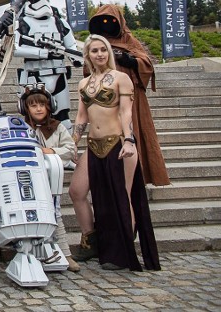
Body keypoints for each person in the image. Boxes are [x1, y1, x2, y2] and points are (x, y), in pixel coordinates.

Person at [68, 34, 160, 271]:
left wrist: (129, 140)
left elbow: (126, 113)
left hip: (119, 142)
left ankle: (122, 249)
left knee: (123, 196)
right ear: (87, 55)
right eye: (94, 51)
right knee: (76, 190)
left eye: (103, 50)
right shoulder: (83, 83)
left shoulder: (122, 78)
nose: (99, 54)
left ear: (108, 52)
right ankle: (91, 241)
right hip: (93, 144)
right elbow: (81, 117)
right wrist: (73, 143)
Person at [88, 4, 170, 186]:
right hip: (106, 99)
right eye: (102, 20)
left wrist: (131, 61)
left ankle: (138, 176)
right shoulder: (96, 43)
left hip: (131, 97)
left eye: (111, 20)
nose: (107, 24)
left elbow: (146, 63)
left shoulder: (129, 39)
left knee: (133, 131)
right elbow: (87, 69)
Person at [19, 84, 79, 272]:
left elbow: (70, 149)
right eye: (33, 105)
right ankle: (28, 254)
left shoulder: (57, 127)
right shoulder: (21, 128)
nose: (38, 109)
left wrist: (50, 151)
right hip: (28, 180)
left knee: (56, 213)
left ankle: (65, 253)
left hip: (51, 180)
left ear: (48, 106)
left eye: (42, 105)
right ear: (26, 108)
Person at [14, 0, 82, 134]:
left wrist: (74, 57)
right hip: (34, 74)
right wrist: (40, 52)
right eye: (38, 1)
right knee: (34, 117)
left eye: (46, 0)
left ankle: (65, 151)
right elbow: (15, 48)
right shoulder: (21, 23)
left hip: (58, 74)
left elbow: (71, 45)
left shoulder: (59, 22)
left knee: (63, 117)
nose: (43, 4)